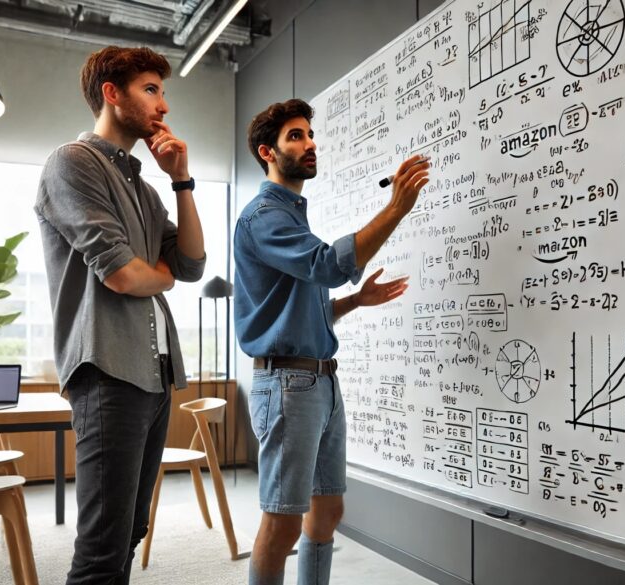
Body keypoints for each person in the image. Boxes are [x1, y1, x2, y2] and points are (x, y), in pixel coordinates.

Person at [234, 98, 430, 584]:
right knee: (281, 524)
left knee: (326, 514)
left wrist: (354, 303)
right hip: (288, 387)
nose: (309, 144)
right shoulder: (264, 217)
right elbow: (326, 266)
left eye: (309, 134)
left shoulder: (293, 216)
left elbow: (303, 310)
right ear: (267, 152)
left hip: (320, 384)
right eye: (295, 137)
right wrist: (397, 208)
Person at [35, 45, 207, 584]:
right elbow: (124, 275)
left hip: (154, 375)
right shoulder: (72, 162)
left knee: (131, 528)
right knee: (103, 544)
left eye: (162, 91)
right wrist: (159, 275)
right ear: (112, 94)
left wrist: (181, 179)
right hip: (108, 370)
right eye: (151, 90)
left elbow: (193, 263)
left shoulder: (146, 188)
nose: (163, 105)